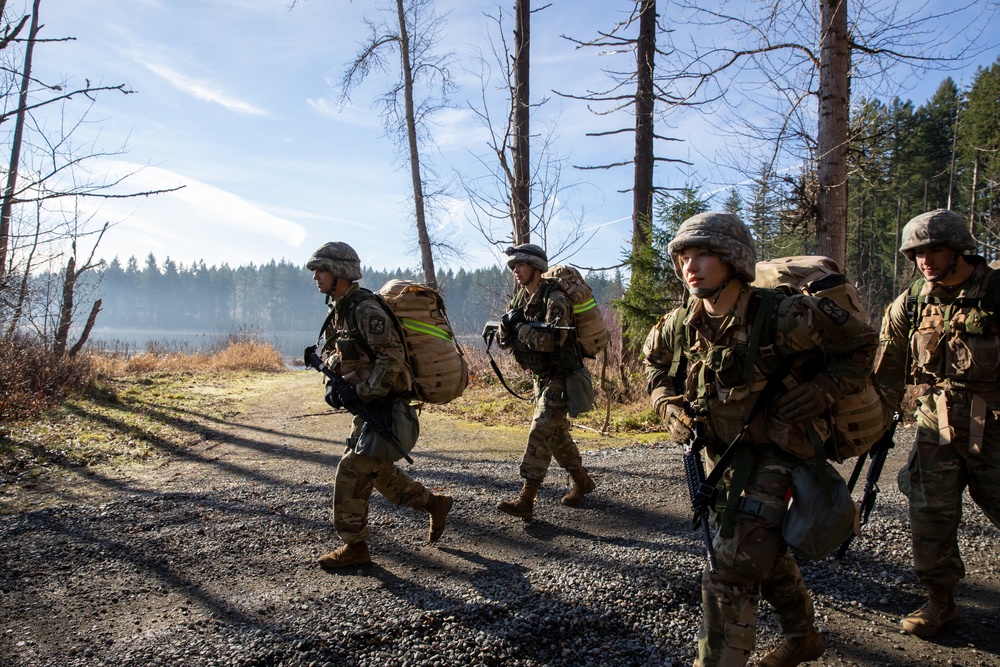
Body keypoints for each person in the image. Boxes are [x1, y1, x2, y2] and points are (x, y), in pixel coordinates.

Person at [642, 212, 877, 667]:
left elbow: (862, 344)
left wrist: (824, 389)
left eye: (704, 254)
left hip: (781, 452)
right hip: (722, 457)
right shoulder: (678, 324)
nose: (691, 266)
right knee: (760, 552)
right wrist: (665, 404)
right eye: (684, 257)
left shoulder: (785, 314)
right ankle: (803, 636)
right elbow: (652, 367)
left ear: (733, 260)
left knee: (729, 566)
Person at [874, 209, 1000, 638]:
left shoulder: (996, 290)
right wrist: (873, 417)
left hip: (996, 423)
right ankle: (940, 601)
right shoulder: (913, 299)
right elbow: (887, 363)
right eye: (917, 252)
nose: (925, 259)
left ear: (958, 249)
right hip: (937, 423)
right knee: (929, 513)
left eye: (935, 250)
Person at [306, 241, 453, 569]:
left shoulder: (365, 309)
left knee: (352, 470)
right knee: (378, 472)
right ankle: (434, 504)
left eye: (322, 270)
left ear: (340, 272)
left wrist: (362, 393)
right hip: (369, 406)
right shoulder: (341, 310)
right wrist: (334, 381)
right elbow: (338, 353)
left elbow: (392, 360)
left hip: (385, 405)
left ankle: (356, 546)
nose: (316, 276)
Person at [494, 243, 596, 521]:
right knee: (556, 435)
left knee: (540, 430)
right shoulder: (519, 300)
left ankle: (526, 498)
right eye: (514, 267)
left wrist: (520, 328)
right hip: (541, 377)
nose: (516, 271)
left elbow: (553, 341)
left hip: (562, 376)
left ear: (536, 268)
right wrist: (506, 328)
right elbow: (505, 341)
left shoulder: (555, 298)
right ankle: (583, 481)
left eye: (521, 266)